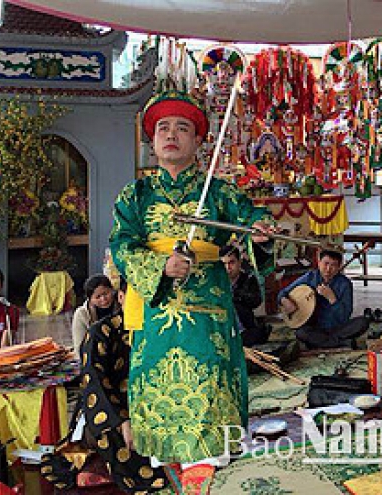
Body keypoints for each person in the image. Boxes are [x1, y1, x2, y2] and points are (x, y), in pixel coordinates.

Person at [109, 89, 274, 487]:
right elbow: (121, 244)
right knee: (158, 384)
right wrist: (160, 266)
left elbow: (252, 215)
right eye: (163, 128)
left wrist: (262, 231)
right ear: (152, 141)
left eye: (182, 128)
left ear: (198, 141)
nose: (171, 135)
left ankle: (205, 472)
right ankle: (172, 469)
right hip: (156, 308)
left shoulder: (219, 192)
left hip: (209, 308)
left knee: (211, 380)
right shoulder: (136, 194)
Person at [41, 278, 170, 493]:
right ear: (122, 297)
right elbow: (94, 384)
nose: (144, 305)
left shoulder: (163, 329)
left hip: (153, 405)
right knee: (114, 436)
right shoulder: (100, 332)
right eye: (137, 298)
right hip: (110, 407)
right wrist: (122, 421)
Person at [278, 248, 369, 349]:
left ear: (339, 267)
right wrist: (285, 301)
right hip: (314, 327)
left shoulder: (345, 284)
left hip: (337, 327)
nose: (328, 269)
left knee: (363, 322)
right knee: (301, 333)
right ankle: (339, 342)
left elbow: (344, 317)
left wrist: (332, 298)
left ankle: (322, 342)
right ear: (319, 263)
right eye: (326, 263)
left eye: (333, 265)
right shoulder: (310, 277)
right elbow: (283, 293)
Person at [223, 246, 268, 346]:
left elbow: (256, 301)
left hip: (245, 326)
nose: (228, 268)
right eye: (224, 264)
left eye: (231, 262)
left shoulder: (249, 279)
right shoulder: (217, 283)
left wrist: (235, 296)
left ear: (239, 262)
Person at [71, 275, 117, 352]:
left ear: (112, 290)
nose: (103, 299)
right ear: (90, 299)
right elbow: (79, 347)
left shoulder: (122, 307)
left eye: (106, 294)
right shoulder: (82, 314)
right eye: (98, 297)